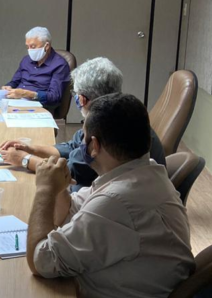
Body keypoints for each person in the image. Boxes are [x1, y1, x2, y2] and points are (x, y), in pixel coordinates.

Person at [26, 93, 194, 297]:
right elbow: (70, 211)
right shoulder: (142, 172)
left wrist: (45, 189)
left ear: (94, 146)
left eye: (83, 136)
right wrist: (60, 188)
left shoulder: (116, 203)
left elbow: (40, 261)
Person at [0, 57, 166, 192]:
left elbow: (69, 172)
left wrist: (24, 160)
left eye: (76, 94)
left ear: (82, 99)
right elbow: (73, 146)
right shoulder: (121, 112)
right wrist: (31, 149)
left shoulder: (105, 128)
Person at [2, 26, 70, 113]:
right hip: (16, 102)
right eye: (28, 47)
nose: (30, 50)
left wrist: (26, 94)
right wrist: (8, 87)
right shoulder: (26, 60)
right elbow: (15, 81)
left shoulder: (59, 65)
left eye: (33, 46)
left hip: (39, 107)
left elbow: (54, 97)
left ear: (46, 46)